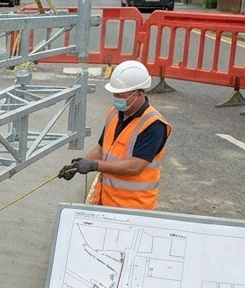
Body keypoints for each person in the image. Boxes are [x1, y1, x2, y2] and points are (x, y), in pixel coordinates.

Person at [58, 60, 172, 210]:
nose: (117, 99)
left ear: (139, 94)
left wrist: (94, 165)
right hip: (105, 201)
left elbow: (135, 167)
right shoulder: (114, 113)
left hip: (133, 208)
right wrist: (78, 165)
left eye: (121, 96)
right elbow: (101, 149)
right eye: (115, 95)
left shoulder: (154, 125)